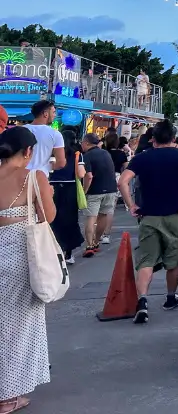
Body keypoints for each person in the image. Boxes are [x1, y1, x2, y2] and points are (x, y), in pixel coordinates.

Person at [117, 119, 178, 323]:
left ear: (153, 139)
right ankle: (170, 297)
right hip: (174, 214)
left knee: (146, 259)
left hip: (148, 215)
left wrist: (131, 204)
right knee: (174, 259)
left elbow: (122, 181)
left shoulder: (142, 158)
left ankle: (142, 301)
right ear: (173, 137)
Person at [0, 126, 57, 413]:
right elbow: (48, 216)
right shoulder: (34, 177)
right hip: (22, 258)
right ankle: (8, 396)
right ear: (29, 151)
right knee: (18, 326)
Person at [47, 125, 84, 265]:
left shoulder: (52, 152)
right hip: (70, 188)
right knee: (70, 220)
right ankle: (68, 253)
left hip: (52, 187)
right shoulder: (77, 154)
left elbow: (49, 169)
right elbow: (81, 173)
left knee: (53, 219)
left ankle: (55, 250)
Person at [81, 133, 118, 258]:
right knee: (103, 216)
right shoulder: (106, 153)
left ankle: (89, 245)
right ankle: (96, 242)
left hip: (94, 191)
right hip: (111, 189)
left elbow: (89, 176)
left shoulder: (87, 156)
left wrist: (84, 190)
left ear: (86, 143)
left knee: (91, 218)